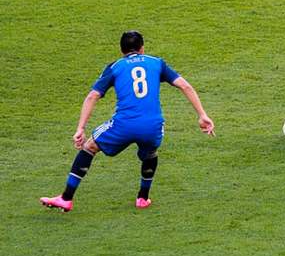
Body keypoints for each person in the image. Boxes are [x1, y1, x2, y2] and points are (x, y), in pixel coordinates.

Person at [40, 31, 215, 212]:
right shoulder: (156, 63)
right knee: (150, 153)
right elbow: (185, 85)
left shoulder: (115, 67)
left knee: (89, 147)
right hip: (152, 125)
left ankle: (66, 198)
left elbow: (93, 95)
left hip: (124, 125)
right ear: (142, 48)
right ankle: (143, 198)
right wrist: (202, 115)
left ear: (121, 50)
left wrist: (80, 128)